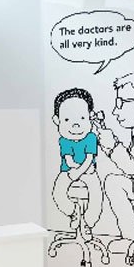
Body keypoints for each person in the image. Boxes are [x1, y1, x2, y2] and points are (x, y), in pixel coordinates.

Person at [94, 73, 134, 252]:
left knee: (113, 183)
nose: (115, 111)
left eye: (122, 103)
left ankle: (133, 238)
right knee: (115, 180)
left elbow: (131, 167)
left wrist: (111, 144)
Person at [51, 88, 103, 233]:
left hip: (88, 171)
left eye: (82, 118)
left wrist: (79, 172)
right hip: (68, 171)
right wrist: (74, 172)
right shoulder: (64, 140)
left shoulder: (91, 137)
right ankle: (73, 213)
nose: (76, 125)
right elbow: (68, 160)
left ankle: (89, 223)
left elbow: (89, 158)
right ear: (57, 120)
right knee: (58, 192)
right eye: (67, 120)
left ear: (90, 117)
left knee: (96, 195)